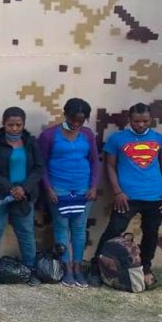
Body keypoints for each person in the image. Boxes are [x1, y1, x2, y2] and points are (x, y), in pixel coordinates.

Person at [89, 103, 162, 288]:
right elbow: (110, 167)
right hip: (127, 198)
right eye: (136, 121)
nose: (141, 125)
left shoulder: (161, 140)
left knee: (151, 234)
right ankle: (96, 269)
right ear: (130, 120)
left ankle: (145, 269)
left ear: (151, 119)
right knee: (113, 231)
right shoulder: (117, 139)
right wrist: (118, 192)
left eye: (145, 121)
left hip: (155, 197)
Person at [38, 98, 100, 288]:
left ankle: (77, 267)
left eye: (81, 120)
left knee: (79, 229)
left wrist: (93, 186)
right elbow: (41, 165)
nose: (76, 124)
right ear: (65, 114)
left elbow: (95, 161)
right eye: (73, 119)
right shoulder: (49, 135)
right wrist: (48, 189)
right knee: (61, 228)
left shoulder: (87, 134)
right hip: (59, 189)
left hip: (83, 189)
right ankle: (66, 268)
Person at [0, 107, 44, 287]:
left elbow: (39, 168)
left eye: (18, 125)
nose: (14, 128)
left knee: (26, 232)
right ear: (3, 123)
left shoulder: (30, 142)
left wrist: (24, 188)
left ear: (24, 124)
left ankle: (30, 270)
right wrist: (10, 188)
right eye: (10, 125)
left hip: (24, 195)